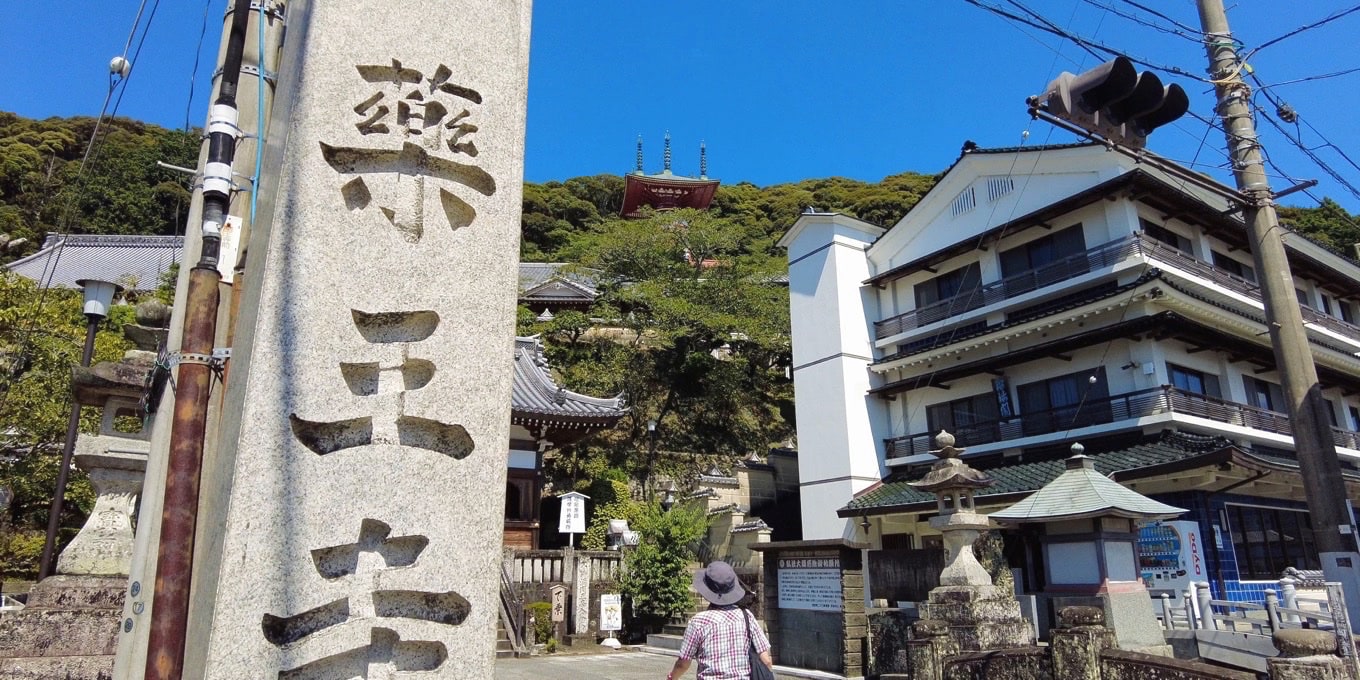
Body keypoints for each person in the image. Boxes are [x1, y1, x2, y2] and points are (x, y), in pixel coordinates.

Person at [666, 561, 773, 680]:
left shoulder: (698, 622)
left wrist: (672, 677)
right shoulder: (747, 616)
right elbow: (766, 660)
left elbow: (683, 663)